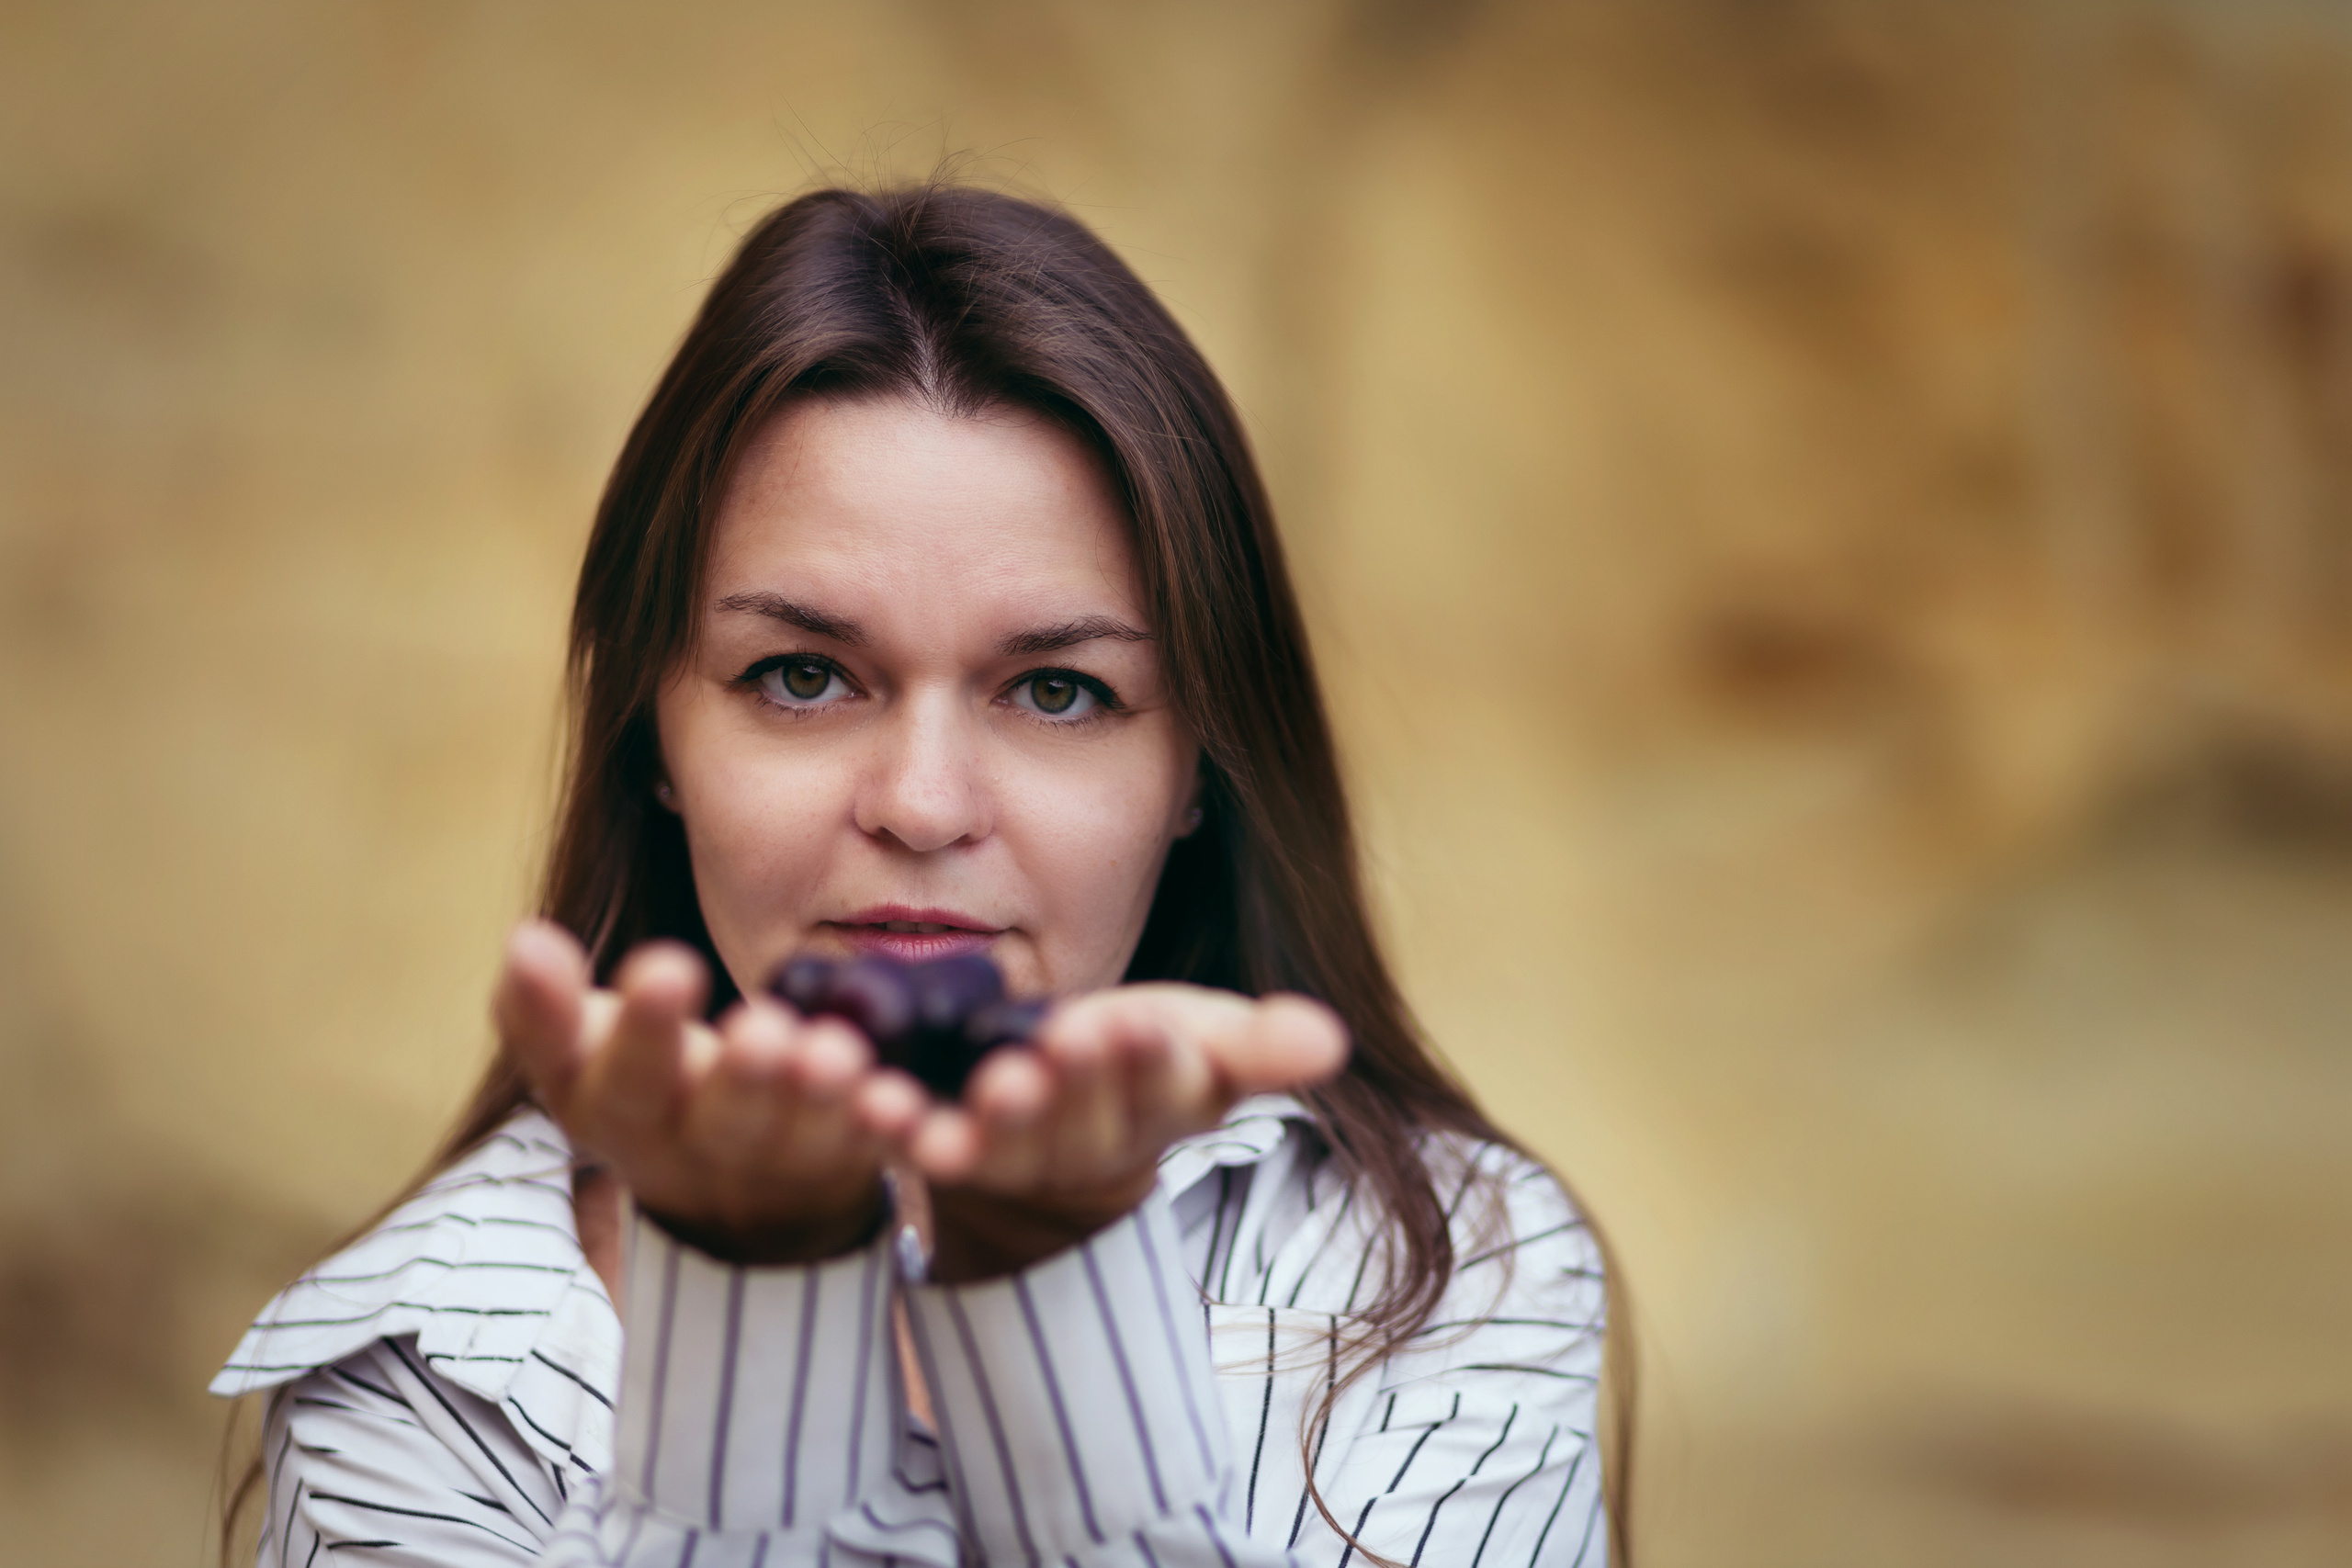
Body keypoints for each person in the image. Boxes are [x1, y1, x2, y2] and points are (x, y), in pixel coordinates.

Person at [213, 184, 1626, 1568]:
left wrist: (1047, 1286)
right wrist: (753, 1319)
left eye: (1060, 692)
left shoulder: (1447, 1275)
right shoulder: (426, 1370)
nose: (924, 805)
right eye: (805, 676)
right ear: (656, 735)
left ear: (1201, 763)